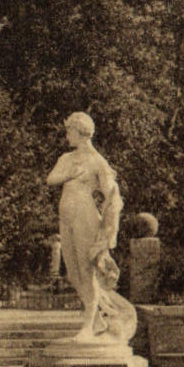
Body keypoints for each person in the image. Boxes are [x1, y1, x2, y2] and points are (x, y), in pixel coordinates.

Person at [47, 113, 133, 341]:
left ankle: (88, 326)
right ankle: (97, 321)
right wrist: (70, 174)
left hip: (85, 217)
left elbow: (112, 195)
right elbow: (51, 179)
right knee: (73, 274)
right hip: (66, 219)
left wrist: (109, 227)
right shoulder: (66, 158)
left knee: (86, 271)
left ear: (81, 132)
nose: (67, 136)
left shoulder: (97, 161)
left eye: (69, 131)